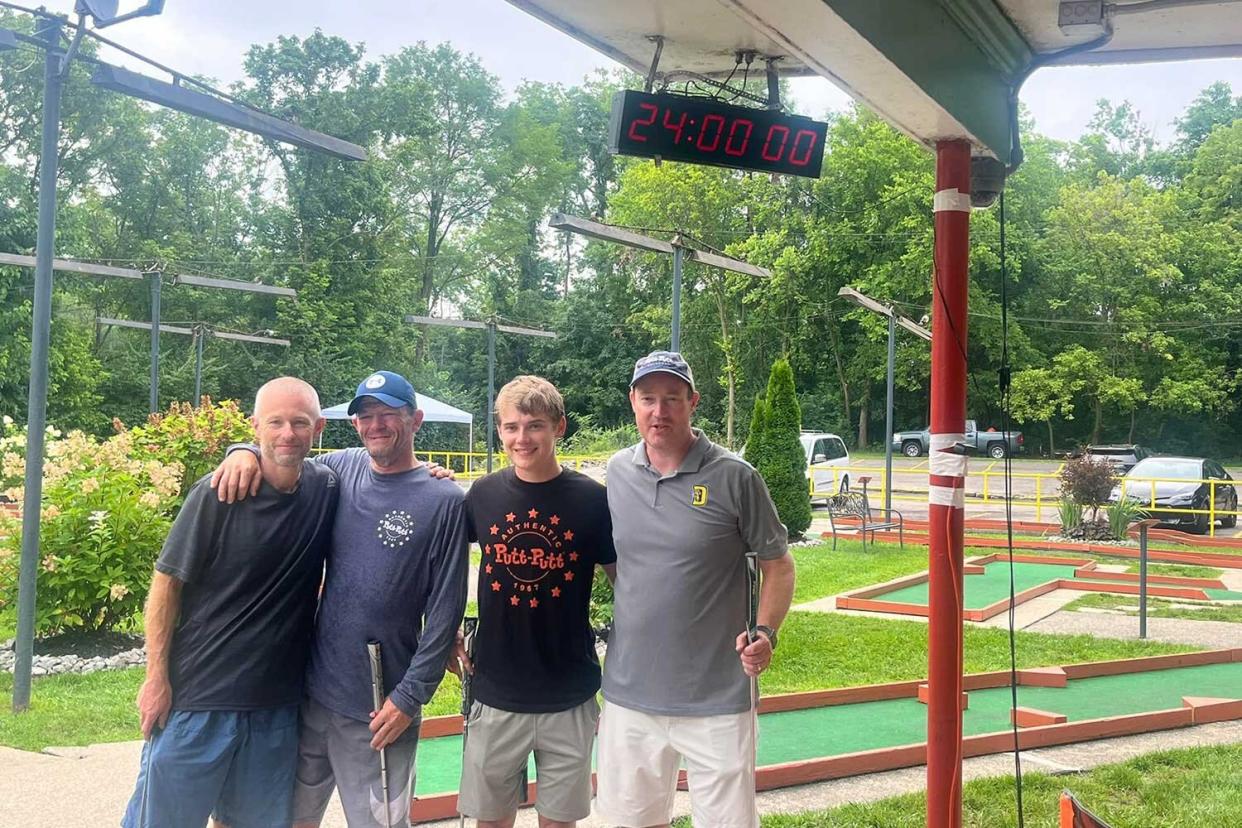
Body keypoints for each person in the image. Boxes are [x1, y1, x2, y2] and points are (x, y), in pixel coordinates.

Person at [211, 370, 469, 828]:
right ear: (354, 425)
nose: (376, 425)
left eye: (388, 414)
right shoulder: (342, 468)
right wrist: (244, 451)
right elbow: (286, 453)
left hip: (380, 708)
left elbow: (446, 610)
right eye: (366, 416)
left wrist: (410, 698)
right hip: (312, 695)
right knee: (285, 818)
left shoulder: (443, 498)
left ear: (416, 420)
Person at [122, 377, 338, 828]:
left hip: (276, 708)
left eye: (300, 423)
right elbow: (165, 585)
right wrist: (155, 677)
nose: (287, 434)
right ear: (255, 424)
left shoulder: (326, 488)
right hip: (198, 700)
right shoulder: (217, 493)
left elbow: (384, 460)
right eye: (275, 422)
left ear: (318, 429)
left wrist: (430, 472)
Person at [594, 351, 797, 828]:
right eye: (648, 399)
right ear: (633, 403)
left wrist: (766, 631)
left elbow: (779, 567)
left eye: (671, 399)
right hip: (629, 695)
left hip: (719, 697)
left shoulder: (735, 477)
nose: (658, 412)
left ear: (693, 403)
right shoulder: (618, 473)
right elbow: (619, 564)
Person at [449, 376, 616, 828]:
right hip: (495, 689)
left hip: (569, 692)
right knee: (489, 821)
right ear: (500, 431)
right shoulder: (482, 495)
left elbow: (626, 585)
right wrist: (447, 630)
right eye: (511, 427)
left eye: (535, 426)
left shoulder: (593, 501)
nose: (522, 438)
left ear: (559, 427)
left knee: (559, 822)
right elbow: (444, 568)